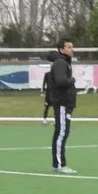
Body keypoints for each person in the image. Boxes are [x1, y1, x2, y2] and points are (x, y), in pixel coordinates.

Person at [49, 38, 77, 173]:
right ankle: (59, 165)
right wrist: (72, 80)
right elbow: (61, 81)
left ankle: (58, 164)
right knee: (61, 133)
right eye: (69, 47)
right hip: (62, 104)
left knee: (63, 133)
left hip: (66, 104)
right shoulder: (60, 63)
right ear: (62, 49)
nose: (72, 49)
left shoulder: (65, 62)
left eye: (72, 47)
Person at [41, 53, 55, 125]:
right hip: (48, 94)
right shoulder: (47, 74)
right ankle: (44, 119)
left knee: (56, 108)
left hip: (55, 94)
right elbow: (44, 83)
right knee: (46, 107)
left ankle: (55, 120)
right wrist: (42, 92)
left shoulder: (57, 75)